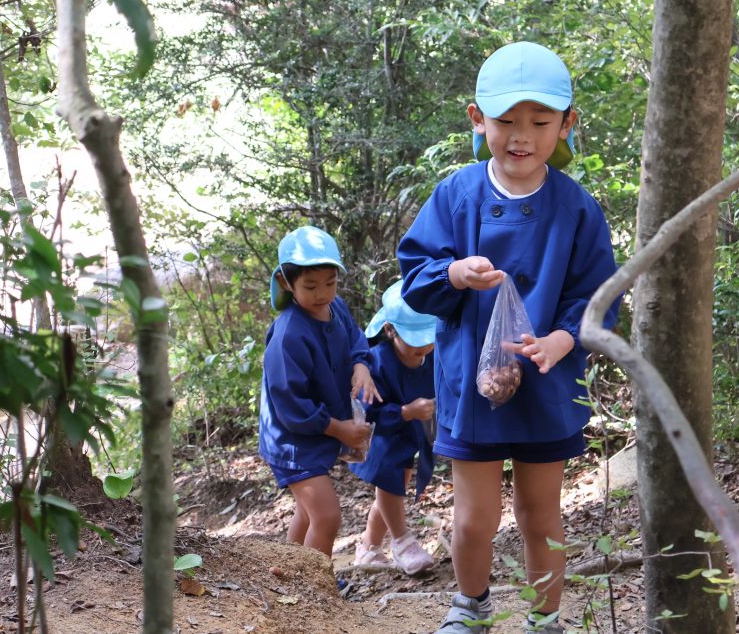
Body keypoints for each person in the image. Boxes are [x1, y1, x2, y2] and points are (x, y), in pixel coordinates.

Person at [397, 41, 622, 634]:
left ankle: (545, 618)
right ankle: (469, 607)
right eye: (506, 122)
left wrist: (560, 342)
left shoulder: (576, 209)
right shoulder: (456, 196)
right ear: (477, 119)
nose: (521, 136)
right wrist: (452, 274)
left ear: (567, 124)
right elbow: (415, 277)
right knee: (474, 517)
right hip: (472, 382)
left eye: (540, 122)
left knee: (540, 513)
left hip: (546, 387)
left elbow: (598, 297)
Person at [259, 225, 381, 565]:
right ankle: (316, 590)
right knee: (326, 516)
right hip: (292, 440)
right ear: (286, 282)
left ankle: (289, 575)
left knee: (308, 512)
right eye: (310, 286)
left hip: (317, 431)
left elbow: (357, 340)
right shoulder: (289, 336)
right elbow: (290, 407)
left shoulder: (336, 308)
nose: (322, 293)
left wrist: (361, 365)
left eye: (330, 282)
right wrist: (340, 429)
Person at [350, 279, 438, 575]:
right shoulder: (376, 362)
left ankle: (368, 547)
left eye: (428, 341)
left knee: (393, 491)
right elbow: (368, 411)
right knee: (390, 487)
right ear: (390, 330)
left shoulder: (430, 355)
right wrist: (404, 411)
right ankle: (402, 543)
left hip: (407, 437)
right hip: (380, 440)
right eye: (416, 344)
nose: (424, 349)